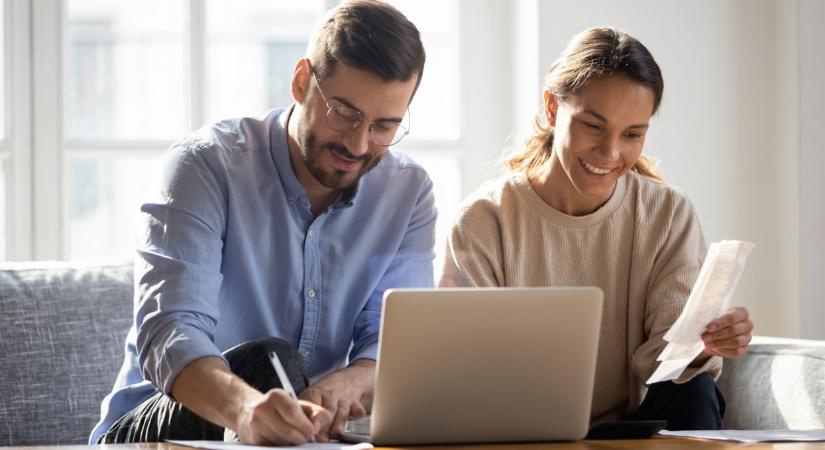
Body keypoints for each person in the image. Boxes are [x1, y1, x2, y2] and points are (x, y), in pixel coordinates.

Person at [90, 0, 434, 445]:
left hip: (298, 434)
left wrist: (346, 384)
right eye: (345, 113)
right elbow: (171, 333)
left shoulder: (407, 193)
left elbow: (391, 342)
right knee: (268, 360)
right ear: (302, 81)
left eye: (385, 126)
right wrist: (248, 409)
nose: (358, 142)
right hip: (153, 429)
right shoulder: (205, 166)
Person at [439, 26, 754, 430]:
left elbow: (667, 360)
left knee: (696, 391)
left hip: (637, 428)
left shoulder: (667, 214)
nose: (610, 153)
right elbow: (465, 370)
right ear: (552, 108)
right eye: (593, 125)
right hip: (519, 427)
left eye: (632, 134)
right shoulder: (485, 221)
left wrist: (701, 345)